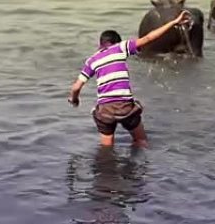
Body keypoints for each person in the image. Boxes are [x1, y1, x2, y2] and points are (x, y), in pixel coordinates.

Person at [69, 11, 190, 147]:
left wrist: (74, 100)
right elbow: (149, 38)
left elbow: (76, 87)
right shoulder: (120, 47)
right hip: (125, 106)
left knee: (106, 148)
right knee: (141, 141)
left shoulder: (92, 60)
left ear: (100, 44)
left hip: (105, 110)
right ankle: (137, 164)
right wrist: (173, 22)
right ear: (117, 42)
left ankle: (105, 165)